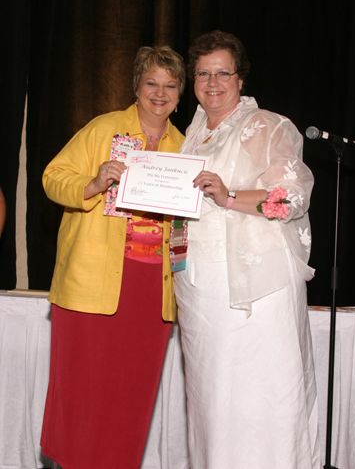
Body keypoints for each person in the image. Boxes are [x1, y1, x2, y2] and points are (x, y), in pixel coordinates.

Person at [174, 30, 321, 468]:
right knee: (211, 399)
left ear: (241, 78)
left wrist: (230, 195)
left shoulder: (268, 126)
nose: (212, 82)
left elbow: (292, 197)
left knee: (259, 395)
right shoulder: (194, 132)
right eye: (203, 73)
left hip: (253, 291)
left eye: (223, 72)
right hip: (200, 288)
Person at [41, 45, 187, 469]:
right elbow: (52, 177)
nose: (160, 93)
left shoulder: (186, 145)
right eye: (151, 83)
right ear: (137, 87)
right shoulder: (104, 128)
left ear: (180, 94)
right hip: (93, 281)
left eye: (170, 85)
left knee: (132, 391)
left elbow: (183, 226)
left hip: (153, 288)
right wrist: (93, 182)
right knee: (83, 388)